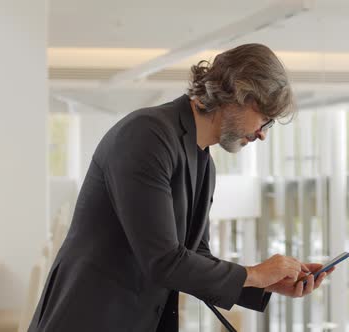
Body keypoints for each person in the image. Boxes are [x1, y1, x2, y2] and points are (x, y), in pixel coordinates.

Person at [28, 43, 333, 332]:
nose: (262, 134)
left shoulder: (203, 161)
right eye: (264, 120)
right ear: (240, 95)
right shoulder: (148, 135)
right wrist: (254, 274)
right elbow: (163, 261)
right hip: (90, 319)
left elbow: (195, 257)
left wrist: (264, 283)